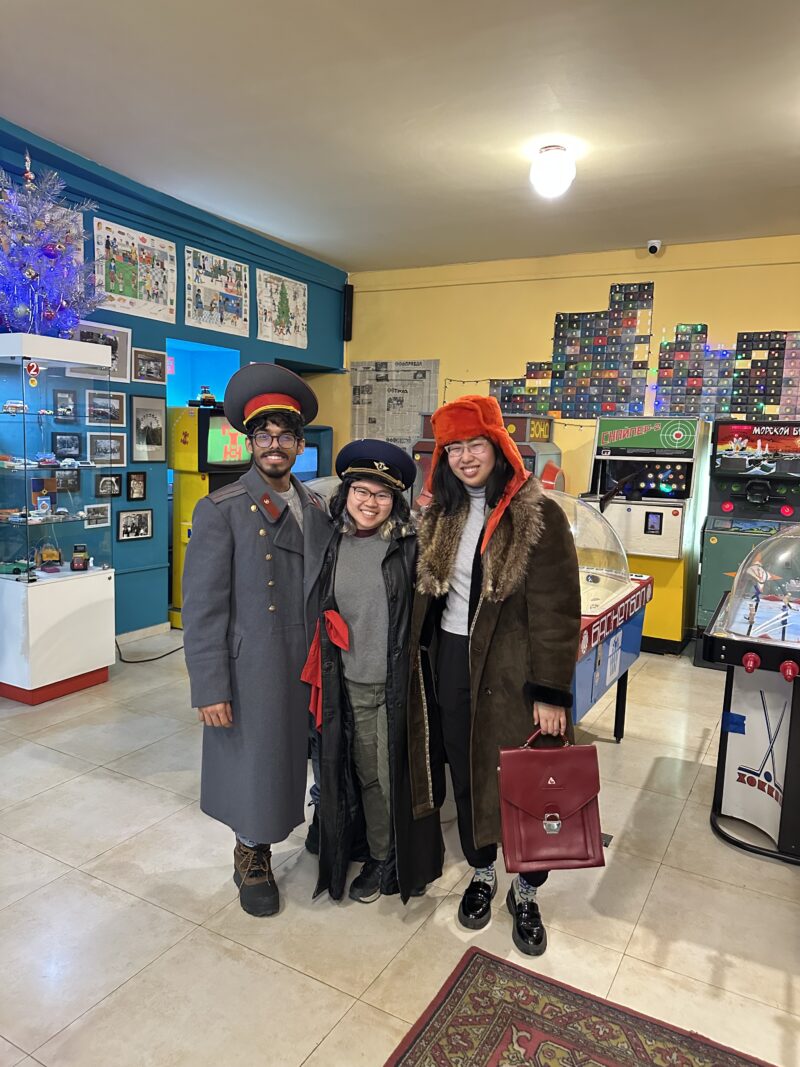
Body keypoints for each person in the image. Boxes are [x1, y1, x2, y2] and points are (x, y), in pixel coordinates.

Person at [406, 394, 580, 956]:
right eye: (452, 448)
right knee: (467, 768)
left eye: (473, 444)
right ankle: (482, 872)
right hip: (452, 660)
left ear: (498, 446)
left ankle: (526, 889)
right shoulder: (442, 514)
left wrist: (551, 692)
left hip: (513, 669)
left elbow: (558, 609)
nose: (463, 457)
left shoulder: (539, 516)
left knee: (526, 780)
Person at [182, 363, 334, 917]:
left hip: (313, 658)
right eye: (263, 436)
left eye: (284, 436)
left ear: (298, 444)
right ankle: (252, 851)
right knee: (259, 764)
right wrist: (209, 687)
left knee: (311, 754)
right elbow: (202, 610)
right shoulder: (220, 510)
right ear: (250, 442)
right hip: (256, 665)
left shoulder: (316, 506)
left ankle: (322, 825)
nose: (274, 445)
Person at [309, 440, 444, 904]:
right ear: (346, 492)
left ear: (397, 500)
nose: (371, 502)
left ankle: (408, 861)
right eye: (362, 490)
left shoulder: (412, 547)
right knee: (367, 776)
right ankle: (381, 854)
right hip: (349, 683)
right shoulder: (331, 543)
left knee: (403, 778)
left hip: (402, 685)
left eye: (383, 494)